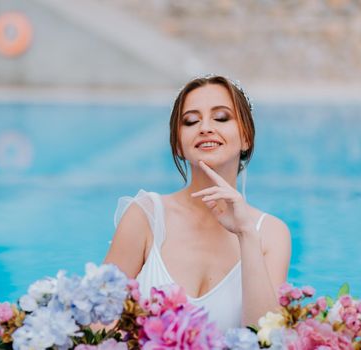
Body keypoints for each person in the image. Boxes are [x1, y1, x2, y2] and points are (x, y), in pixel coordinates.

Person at [103, 75, 291, 331]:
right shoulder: (145, 217)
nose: (205, 127)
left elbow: (265, 340)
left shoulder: (270, 234)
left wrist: (246, 234)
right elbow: (97, 323)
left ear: (246, 137)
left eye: (221, 118)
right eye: (191, 121)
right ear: (178, 144)